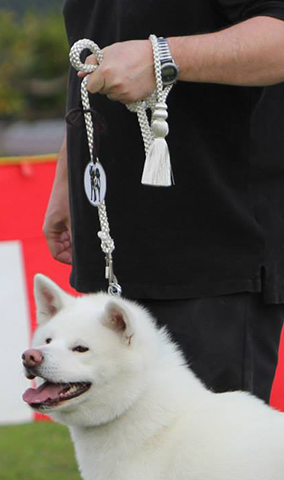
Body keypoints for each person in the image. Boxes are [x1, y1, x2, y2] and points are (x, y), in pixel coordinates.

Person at [43, 0, 284, 404]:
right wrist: (66, 180)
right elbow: (90, 62)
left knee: (207, 461)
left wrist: (161, 57)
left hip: (212, 254)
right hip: (114, 251)